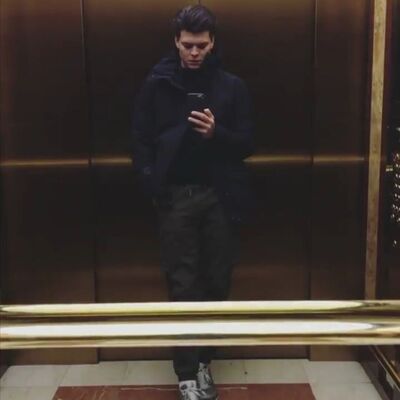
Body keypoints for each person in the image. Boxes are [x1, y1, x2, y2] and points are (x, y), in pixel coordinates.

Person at [132, 5, 254, 400]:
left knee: (217, 282)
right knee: (182, 285)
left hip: (220, 197)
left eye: (201, 45)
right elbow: (140, 139)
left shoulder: (232, 87)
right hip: (176, 197)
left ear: (213, 42)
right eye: (188, 45)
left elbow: (247, 144)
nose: (195, 52)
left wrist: (217, 134)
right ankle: (186, 372)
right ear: (176, 41)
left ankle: (204, 362)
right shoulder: (158, 84)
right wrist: (152, 183)